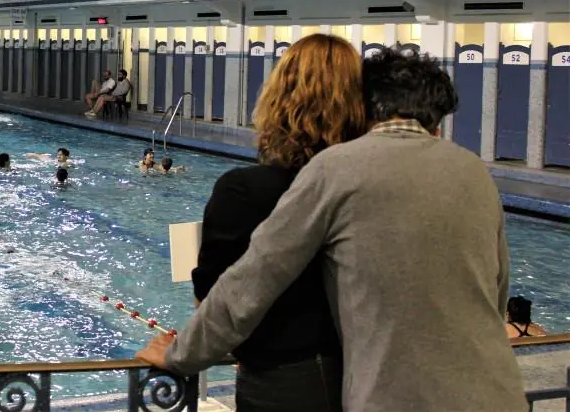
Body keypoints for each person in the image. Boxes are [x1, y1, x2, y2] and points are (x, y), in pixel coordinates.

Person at [137, 46, 526, 412]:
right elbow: (496, 291)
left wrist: (181, 355)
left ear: (362, 108)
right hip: (499, 391)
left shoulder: (338, 168)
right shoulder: (474, 170)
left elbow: (255, 278)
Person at [187, 33, 365, 412]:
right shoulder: (373, 187)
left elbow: (214, 302)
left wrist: (178, 354)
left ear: (276, 98)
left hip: (285, 380)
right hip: (373, 375)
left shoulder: (244, 191)